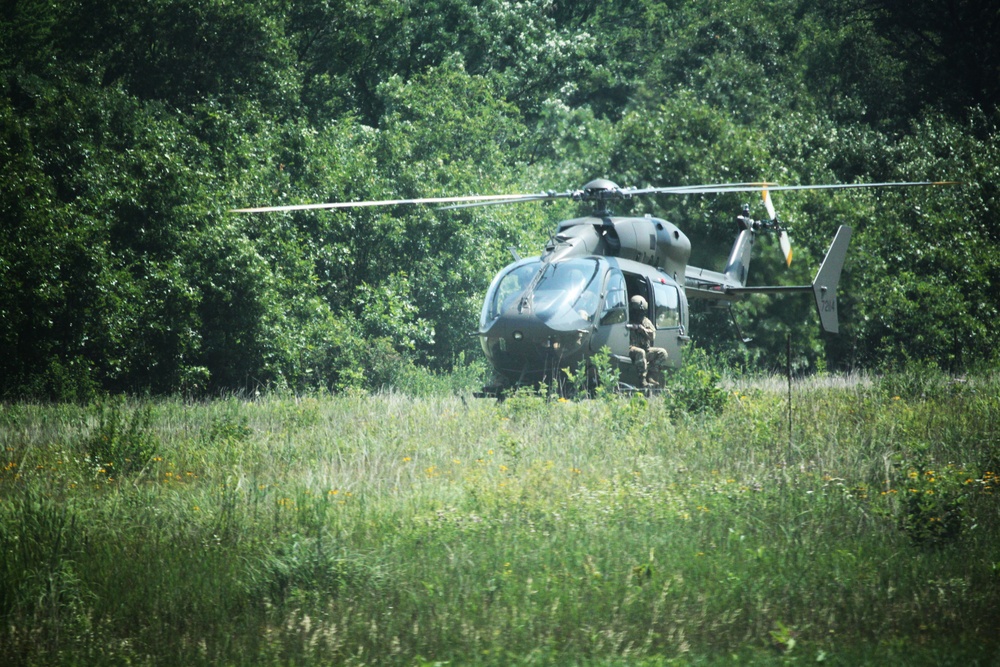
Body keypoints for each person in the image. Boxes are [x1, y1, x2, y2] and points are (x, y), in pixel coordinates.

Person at [627, 295, 668, 387]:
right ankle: (642, 381)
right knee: (640, 352)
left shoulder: (645, 321)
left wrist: (642, 330)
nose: (638, 314)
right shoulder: (626, 319)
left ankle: (652, 377)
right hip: (630, 349)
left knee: (662, 353)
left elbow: (652, 335)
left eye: (640, 312)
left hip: (645, 350)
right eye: (636, 312)